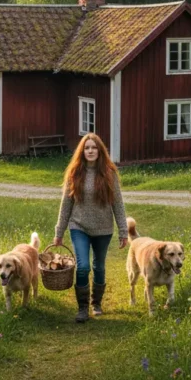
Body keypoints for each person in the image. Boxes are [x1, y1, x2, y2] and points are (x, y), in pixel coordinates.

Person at [52, 133, 128, 323]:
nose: (91, 151)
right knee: (83, 266)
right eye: (87, 148)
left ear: (100, 151)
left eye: (94, 147)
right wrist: (59, 232)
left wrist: (123, 231)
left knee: (99, 267)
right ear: (82, 151)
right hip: (79, 226)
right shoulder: (74, 173)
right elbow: (66, 204)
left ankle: (96, 303)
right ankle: (83, 308)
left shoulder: (109, 173)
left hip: (103, 228)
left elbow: (118, 204)